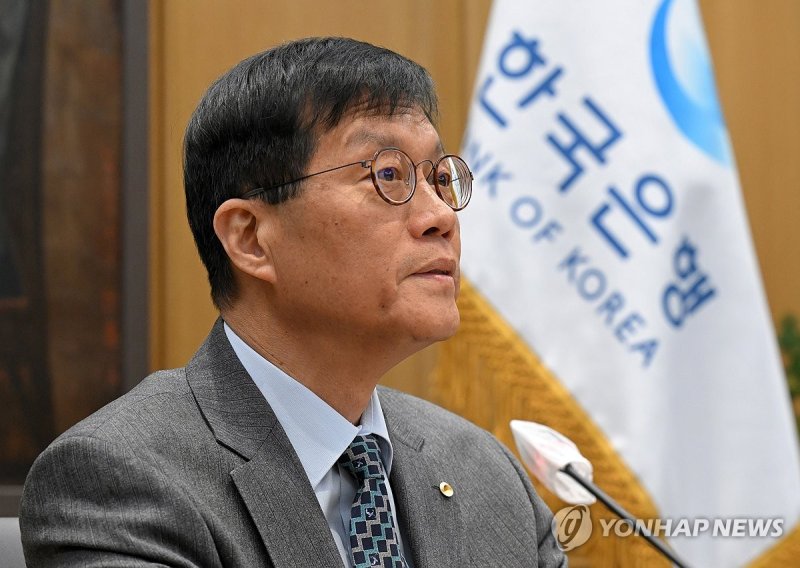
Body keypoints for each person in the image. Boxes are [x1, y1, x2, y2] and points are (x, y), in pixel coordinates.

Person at [20, 37, 566, 567]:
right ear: (250, 238)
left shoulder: (489, 477)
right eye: (388, 175)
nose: (441, 217)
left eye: (440, 179)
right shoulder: (121, 480)